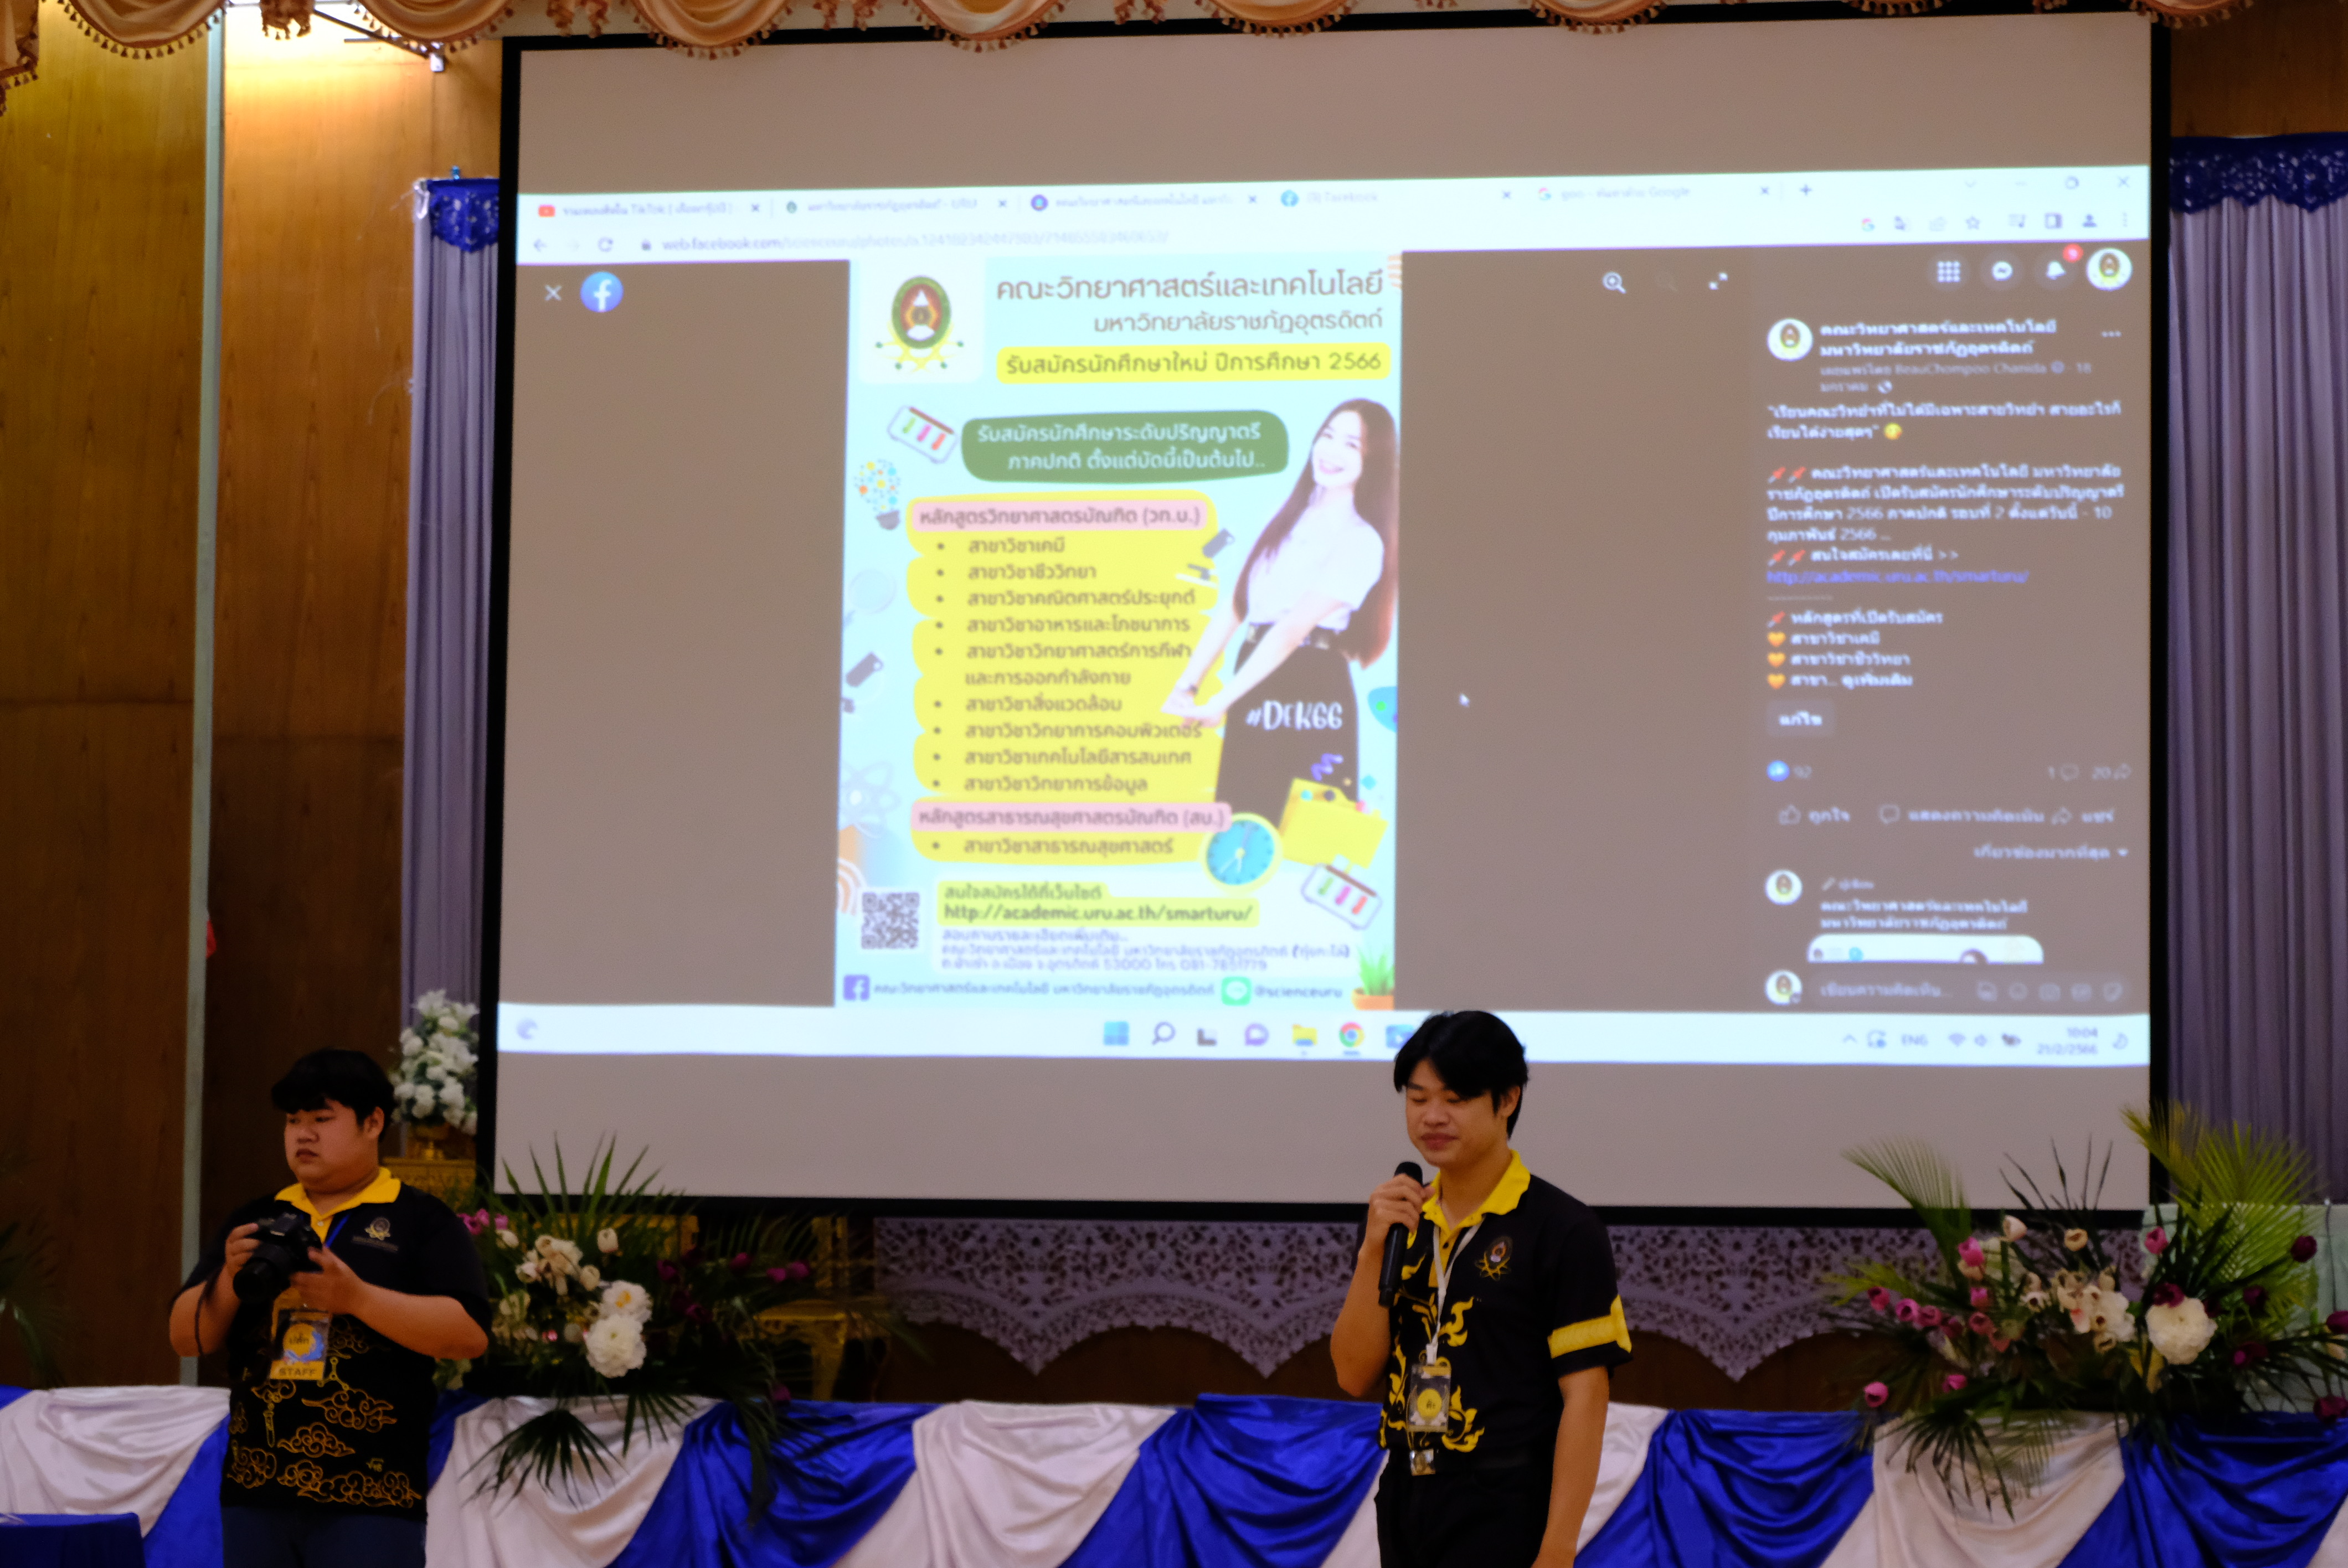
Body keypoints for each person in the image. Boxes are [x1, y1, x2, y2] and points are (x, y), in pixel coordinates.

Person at [1330, 1012, 1631, 1568]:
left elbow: (1586, 1398)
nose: (1432, 1116)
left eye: (1456, 1098)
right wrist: (1371, 1252)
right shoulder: (1398, 1224)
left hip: (1506, 1500)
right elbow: (1351, 1374)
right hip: (1406, 1492)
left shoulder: (1561, 1229)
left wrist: (1558, 1548)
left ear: (1508, 1100)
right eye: (1417, 1098)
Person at [169, 1050, 491, 1568]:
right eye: (293, 1121)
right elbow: (187, 1338)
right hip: (256, 1493)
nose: (303, 1135)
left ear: (373, 1123)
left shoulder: (420, 1219)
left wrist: (356, 1299)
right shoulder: (258, 1219)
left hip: (373, 1500)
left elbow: (469, 1334)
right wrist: (228, 1278)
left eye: (321, 1119)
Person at [1165, 398, 1397, 822]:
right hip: (1255, 673)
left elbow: (1293, 628)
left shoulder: (1362, 541)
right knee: (1243, 819)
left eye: (1352, 444)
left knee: (1308, 832)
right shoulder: (1282, 515)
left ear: (1373, 462)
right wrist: (1188, 684)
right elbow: (1236, 606)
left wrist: (1221, 701)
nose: (1332, 450)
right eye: (1327, 435)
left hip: (1311, 684)